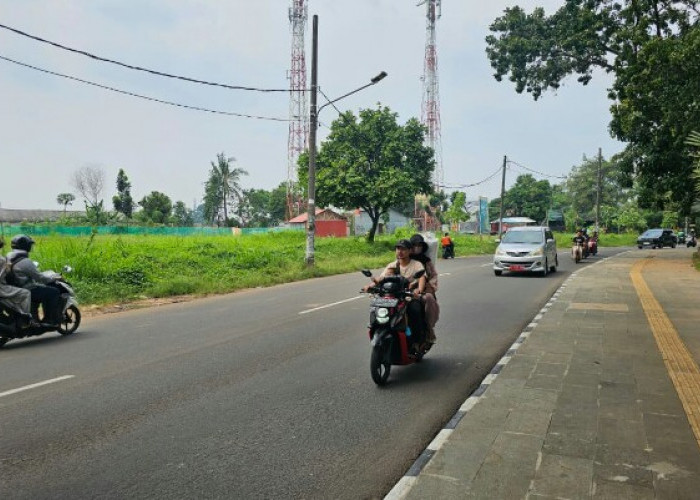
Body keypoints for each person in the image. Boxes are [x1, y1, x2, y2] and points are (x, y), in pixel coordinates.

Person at [363, 239, 427, 353]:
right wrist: (370, 286)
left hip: (408, 296)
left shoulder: (416, 264)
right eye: (398, 249)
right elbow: (381, 278)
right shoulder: (392, 265)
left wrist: (419, 290)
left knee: (415, 310)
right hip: (391, 298)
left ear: (410, 251)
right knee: (377, 310)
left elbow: (421, 277)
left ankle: (417, 341)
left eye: (403, 249)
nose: (400, 251)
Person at [6, 234, 61, 326]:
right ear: (25, 246)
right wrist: (53, 278)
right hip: (27, 289)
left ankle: (35, 317)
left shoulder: (9, 256)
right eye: (29, 245)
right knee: (53, 292)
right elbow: (40, 278)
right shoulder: (25, 261)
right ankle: (49, 320)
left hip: (14, 288)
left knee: (42, 291)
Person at [409, 234, 439, 345]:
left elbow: (432, 275)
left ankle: (428, 328)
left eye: (419, 245)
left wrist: (430, 286)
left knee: (428, 298)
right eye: (414, 245)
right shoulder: (404, 259)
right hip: (405, 288)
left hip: (423, 288)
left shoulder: (426, 261)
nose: (417, 247)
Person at [0, 237, 37, 327]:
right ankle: (25, 319)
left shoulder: (6, 257)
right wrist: (7, 268)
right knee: (26, 293)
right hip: (2, 288)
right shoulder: (2, 260)